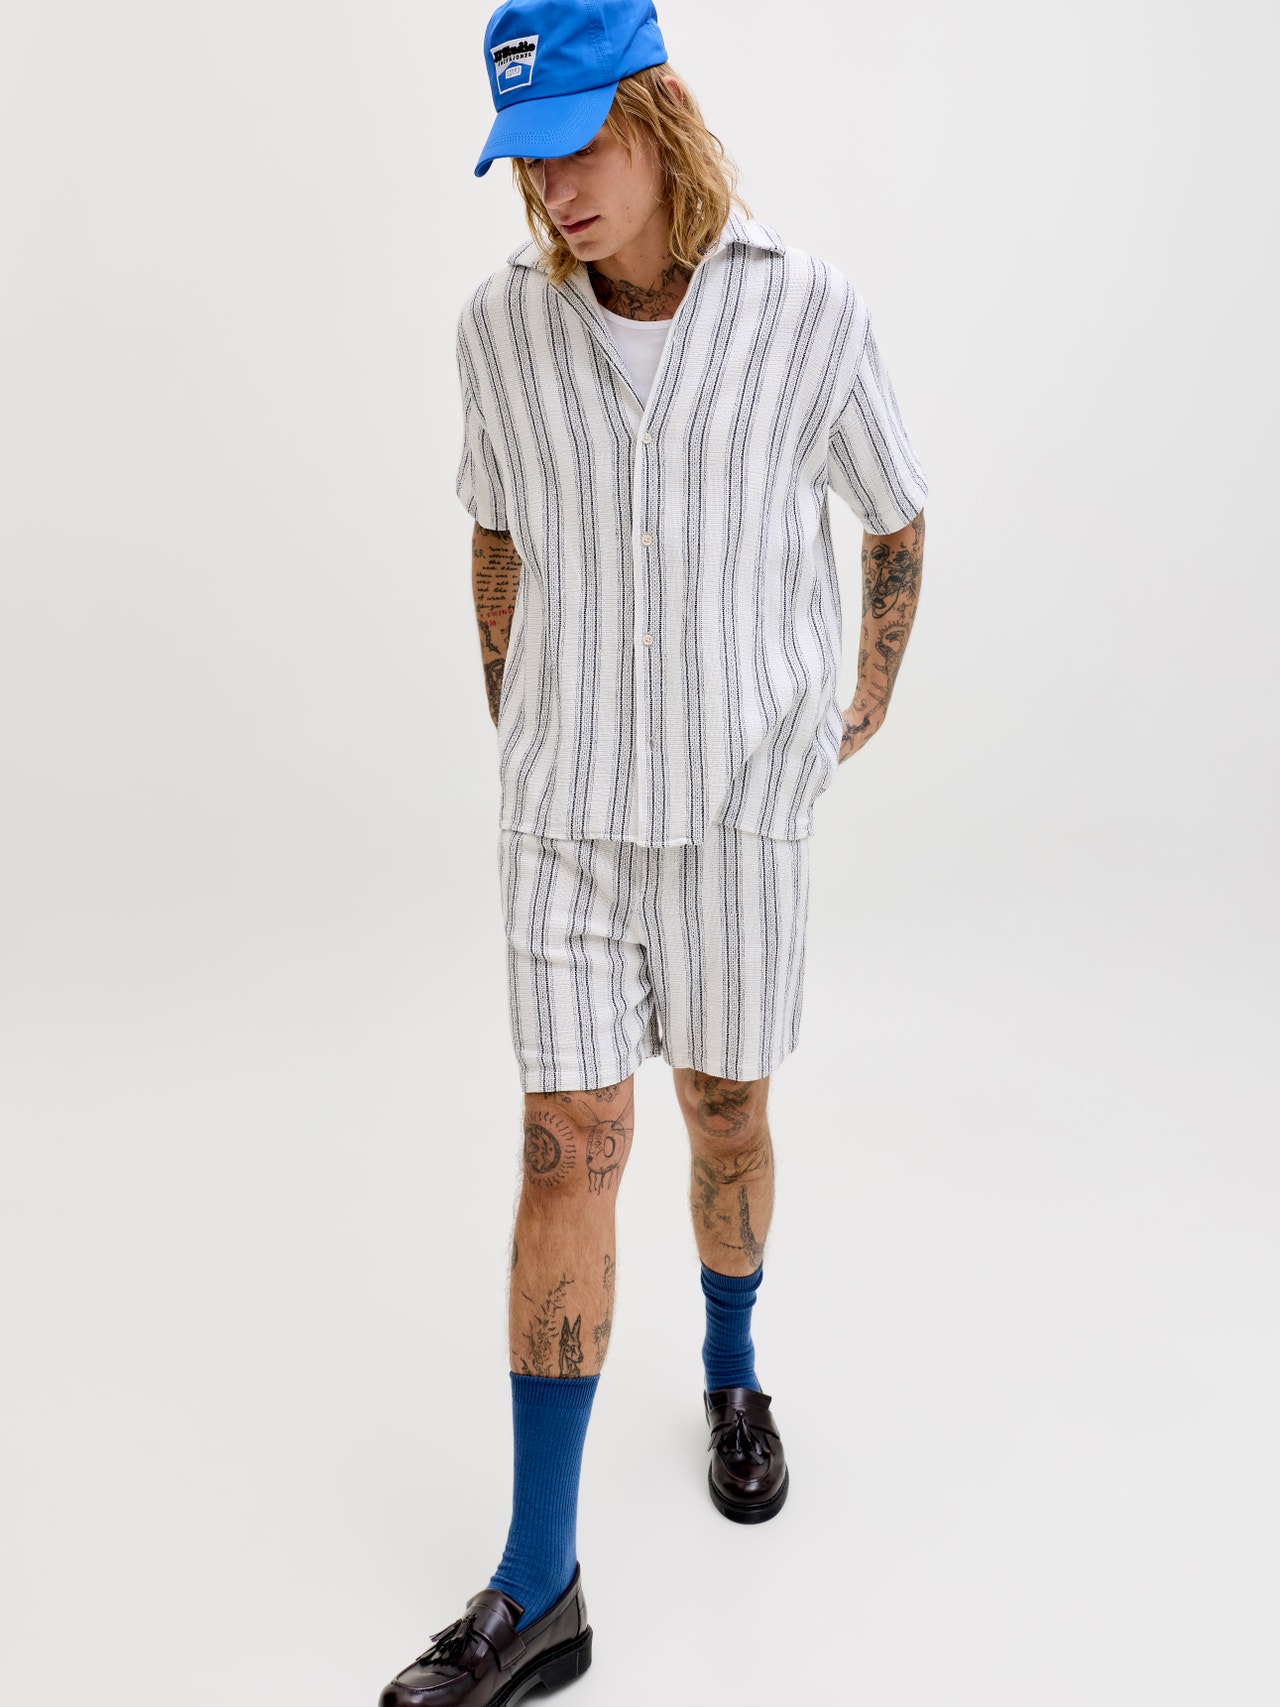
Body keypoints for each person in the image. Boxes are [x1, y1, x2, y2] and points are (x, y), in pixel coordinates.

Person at [378, 0, 927, 1699]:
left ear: (659, 111)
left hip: (741, 812)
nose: (553, 191)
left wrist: (853, 710)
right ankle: (539, 1584)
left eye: (577, 145)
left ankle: (733, 1369)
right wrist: (523, 726)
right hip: (565, 818)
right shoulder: (498, 330)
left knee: (725, 1110)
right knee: (567, 1147)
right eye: (524, 161)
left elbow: (895, 514)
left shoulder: (807, 309)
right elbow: (494, 532)